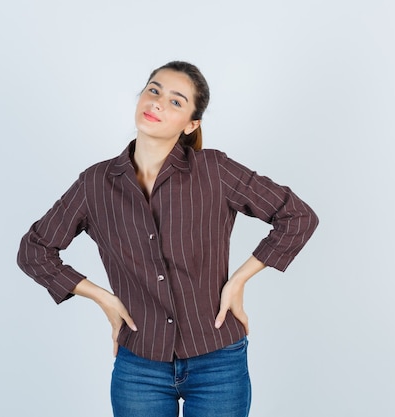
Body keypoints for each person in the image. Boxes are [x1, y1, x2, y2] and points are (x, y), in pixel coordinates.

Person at [17, 61, 318, 417]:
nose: (158, 102)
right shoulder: (95, 184)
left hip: (218, 359)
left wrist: (238, 280)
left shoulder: (214, 170)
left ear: (192, 123)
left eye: (176, 101)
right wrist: (104, 298)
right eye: (154, 90)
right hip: (139, 366)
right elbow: (34, 250)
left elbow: (297, 216)